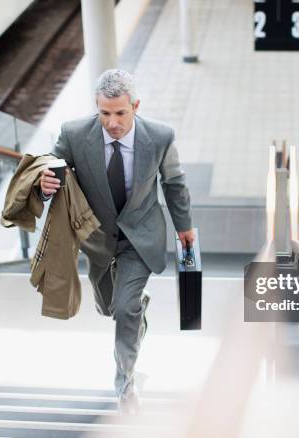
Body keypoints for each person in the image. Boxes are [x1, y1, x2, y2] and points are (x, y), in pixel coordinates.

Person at [39, 69, 194, 414]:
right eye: (105, 113)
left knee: (125, 309)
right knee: (109, 307)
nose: (112, 122)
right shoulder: (75, 134)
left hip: (140, 238)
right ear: (97, 107)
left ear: (135, 106)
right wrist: (44, 183)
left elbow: (174, 183)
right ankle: (136, 308)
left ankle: (125, 382)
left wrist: (185, 227)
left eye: (120, 113)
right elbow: (52, 164)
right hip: (97, 240)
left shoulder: (160, 137)